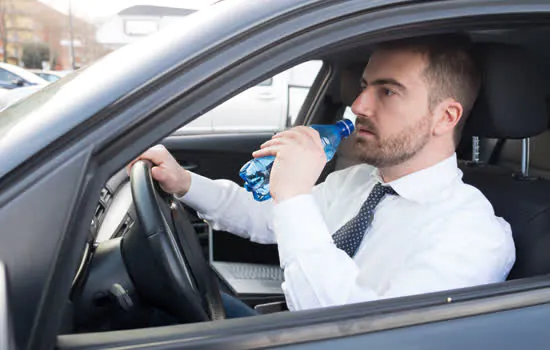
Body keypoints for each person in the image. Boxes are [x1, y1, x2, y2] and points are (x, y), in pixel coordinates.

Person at [130, 34, 515, 315]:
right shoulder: (359, 182)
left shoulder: (473, 236)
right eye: (365, 86)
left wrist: (296, 196)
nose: (359, 104)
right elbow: (269, 217)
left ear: (445, 117)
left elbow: (356, 332)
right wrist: (185, 183)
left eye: (388, 92)